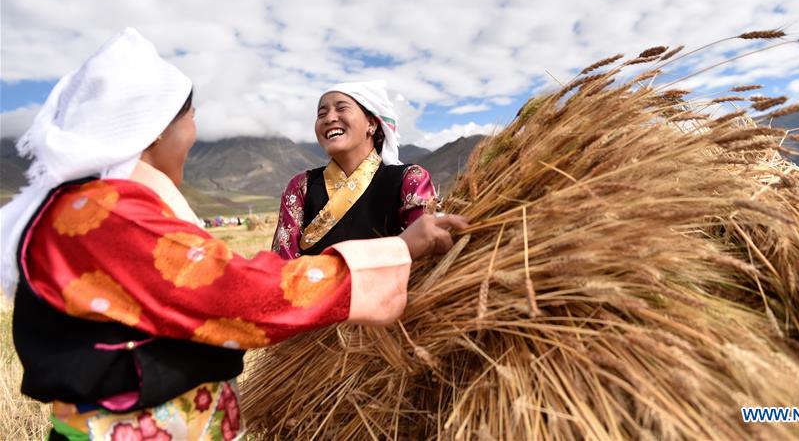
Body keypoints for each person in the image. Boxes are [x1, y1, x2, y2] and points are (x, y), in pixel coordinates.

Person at [0, 28, 467, 440]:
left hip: (380, 350)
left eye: (341, 108)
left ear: (373, 124)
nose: (196, 131)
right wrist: (393, 253)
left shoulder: (99, 207)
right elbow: (240, 292)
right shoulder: (110, 214)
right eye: (190, 118)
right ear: (157, 130)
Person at [271, 80, 439, 259]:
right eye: (322, 114)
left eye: (341, 108)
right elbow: (282, 267)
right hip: (308, 287)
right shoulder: (300, 187)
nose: (329, 118)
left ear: (371, 124)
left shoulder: (409, 180)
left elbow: (426, 251)